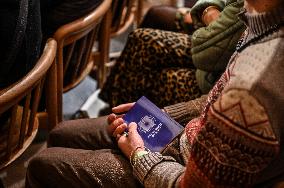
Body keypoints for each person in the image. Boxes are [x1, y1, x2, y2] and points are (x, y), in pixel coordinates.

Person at [26, 0, 284, 186]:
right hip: (190, 137)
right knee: (62, 132)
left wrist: (138, 155)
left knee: (42, 164)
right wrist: (165, 113)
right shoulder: (262, 23)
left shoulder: (254, 87)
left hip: (180, 166)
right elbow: (216, 95)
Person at [99, 0, 246, 108]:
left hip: (219, 81)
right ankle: (110, 106)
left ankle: (121, 120)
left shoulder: (261, 10)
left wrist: (207, 17)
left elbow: (204, 54)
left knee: (147, 68)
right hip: (215, 49)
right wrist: (209, 10)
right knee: (151, 23)